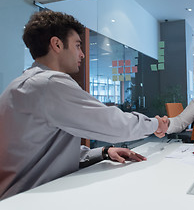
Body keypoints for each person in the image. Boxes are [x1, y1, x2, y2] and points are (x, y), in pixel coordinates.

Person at [0, 11, 168, 200]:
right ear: (57, 44)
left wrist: (103, 152)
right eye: (77, 45)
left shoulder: (22, 83)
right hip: (25, 200)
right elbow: (113, 124)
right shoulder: (49, 83)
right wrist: (155, 124)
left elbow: (42, 152)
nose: (82, 54)